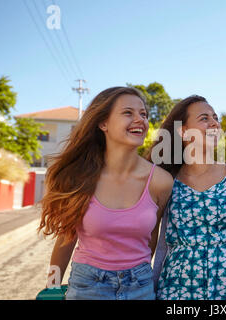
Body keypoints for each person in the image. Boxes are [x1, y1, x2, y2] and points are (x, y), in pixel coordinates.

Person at [38, 86, 173, 300]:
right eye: (128, 113)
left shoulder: (161, 182)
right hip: (87, 286)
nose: (140, 119)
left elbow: (151, 239)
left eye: (143, 114)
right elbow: (65, 239)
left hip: (140, 286)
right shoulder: (80, 177)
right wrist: (52, 287)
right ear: (103, 123)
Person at [148, 95, 226, 300]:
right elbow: (149, 240)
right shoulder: (165, 180)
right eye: (204, 118)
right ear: (183, 132)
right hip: (176, 294)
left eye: (215, 117)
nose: (214, 122)